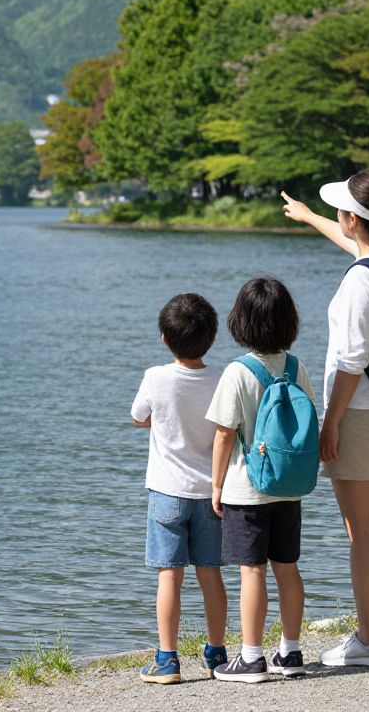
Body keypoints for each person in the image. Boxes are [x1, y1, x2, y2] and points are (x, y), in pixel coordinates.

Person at [281, 170, 369, 667]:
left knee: (362, 532)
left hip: (358, 417)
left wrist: (330, 422)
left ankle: (368, 640)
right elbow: (354, 246)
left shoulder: (360, 283)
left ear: (355, 219)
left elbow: (350, 362)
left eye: (340, 211)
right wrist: (310, 217)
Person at [206, 277, 315, 683]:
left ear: (241, 321)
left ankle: (251, 658)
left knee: (252, 572)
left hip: (247, 490)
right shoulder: (296, 367)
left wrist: (216, 486)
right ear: (289, 321)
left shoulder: (238, 372)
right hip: (288, 487)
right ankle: (290, 652)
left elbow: (224, 434)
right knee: (288, 569)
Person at [130, 293, 229, 684]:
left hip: (167, 492)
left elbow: (139, 417)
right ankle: (217, 653)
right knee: (211, 575)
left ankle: (167, 659)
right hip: (211, 492)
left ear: (164, 338)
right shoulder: (222, 379)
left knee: (169, 577)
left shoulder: (155, 377)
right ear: (212, 337)